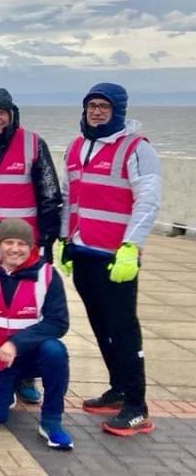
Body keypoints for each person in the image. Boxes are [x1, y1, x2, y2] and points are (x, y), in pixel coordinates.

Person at [58, 82, 161, 436]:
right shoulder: (76, 147)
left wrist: (131, 246)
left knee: (123, 329)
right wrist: (65, 239)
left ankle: (136, 405)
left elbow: (147, 201)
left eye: (104, 106)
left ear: (118, 109)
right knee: (101, 326)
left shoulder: (136, 149)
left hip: (117, 258)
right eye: (92, 106)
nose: (97, 111)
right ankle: (117, 389)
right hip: (84, 252)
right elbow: (70, 197)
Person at [0, 88, 62, 404]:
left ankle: (25, 375)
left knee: (26, 310)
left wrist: (46, 242)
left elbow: (49, 193)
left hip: (23, 247)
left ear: (12, 113)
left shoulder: (33, 144)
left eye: (1, 112)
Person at [0, 219, 72, 450]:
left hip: (31, 357)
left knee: (55, 351)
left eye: (22, 243)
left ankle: (51, 422)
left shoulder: (48, 275)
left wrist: (16, 344)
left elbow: (58, 322)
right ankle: (7, 388)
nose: (15, 249)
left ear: (31, 247)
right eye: (8, 242)